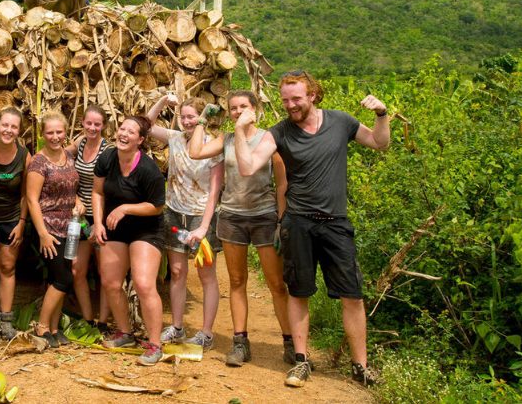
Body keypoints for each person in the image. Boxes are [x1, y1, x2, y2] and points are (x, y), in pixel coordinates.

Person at [232, 71, 389, 387]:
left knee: (352, 295)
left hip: (336, 223)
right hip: (298, 222)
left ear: (313, 95)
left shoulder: (341, 122)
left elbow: (379, 143)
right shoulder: (280, 132)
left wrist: (381, 114)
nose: (290, 105)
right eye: (285, 100)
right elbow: (247, 167)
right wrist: (239, 130)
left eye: (296, 99)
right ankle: (301, 360)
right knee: (299, 292)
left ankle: (360, 367)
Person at [188, 90, 290, 368]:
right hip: (232, 216)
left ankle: (290, 342)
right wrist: (202, 119)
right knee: (236, 281)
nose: (237, 112)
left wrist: (281, 221)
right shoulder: (227, 139)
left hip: (264, 215)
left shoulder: (268, 139)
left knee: (276, 283)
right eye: (233, 108)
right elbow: (195, 152)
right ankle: (240, 342)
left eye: (243, 106)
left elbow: (282, 183)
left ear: (254, 109)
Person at [146, 94, 224, 351]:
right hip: (174, 212)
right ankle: (177, 327)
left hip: (201, 214)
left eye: (192, 117)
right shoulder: (175, 138)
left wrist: (203, 226)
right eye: (184, 116)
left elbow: (215, 191)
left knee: (206, 274)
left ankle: (206, 333)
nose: (187, 121)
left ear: (202, 119)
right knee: (178, 272)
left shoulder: (213, 145)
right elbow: (146, 125)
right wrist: (162, 101)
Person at [92, 116, 166, 366]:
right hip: (115, 228)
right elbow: (97, 192)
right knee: (111, 282)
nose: (123, 134)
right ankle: (125, 333)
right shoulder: (107, 158)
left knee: (144, 284)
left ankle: (155, 344)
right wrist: (98, 223)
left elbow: (157, 206)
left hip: (146, 229)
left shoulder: (148, 170)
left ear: (140, 140)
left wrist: (125, 208)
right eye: (122, 128)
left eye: (131, 132)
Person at [27, 111, 83, 348]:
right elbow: (32, 199)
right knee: (63, 278)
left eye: (59, 131)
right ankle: (41, 326)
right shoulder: (38, 162)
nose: (55, 136)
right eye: (50, 132)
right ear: (42, 134)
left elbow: (71, 186)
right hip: (48, 228)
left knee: (57, 279)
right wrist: (43, 234)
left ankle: (54, 327)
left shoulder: (67, 155)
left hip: (68, 227)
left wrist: (78, 200)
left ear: (65, 132)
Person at [0, 107, 31, 343]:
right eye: (5, 125)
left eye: (14, 126)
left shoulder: (24, 155)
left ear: (19, 130)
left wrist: (22, 223)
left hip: (12, 219)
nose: (8, 130)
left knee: (8, 268)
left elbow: (26, 194)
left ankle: (6, 321)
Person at [65, 105, 110, 330]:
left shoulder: (108, 151)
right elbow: (59, 156)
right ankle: (88, 319)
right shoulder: (80, 143)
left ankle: (103, 322)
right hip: (80, 217)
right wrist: (75, 198)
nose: (92, 128)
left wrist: (99, 223)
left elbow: (110, 188)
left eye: (97, 124)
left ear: (104, 126)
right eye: (88, 123)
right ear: (82, 123)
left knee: (105, 272)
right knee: (77, 269)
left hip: (101, 218)